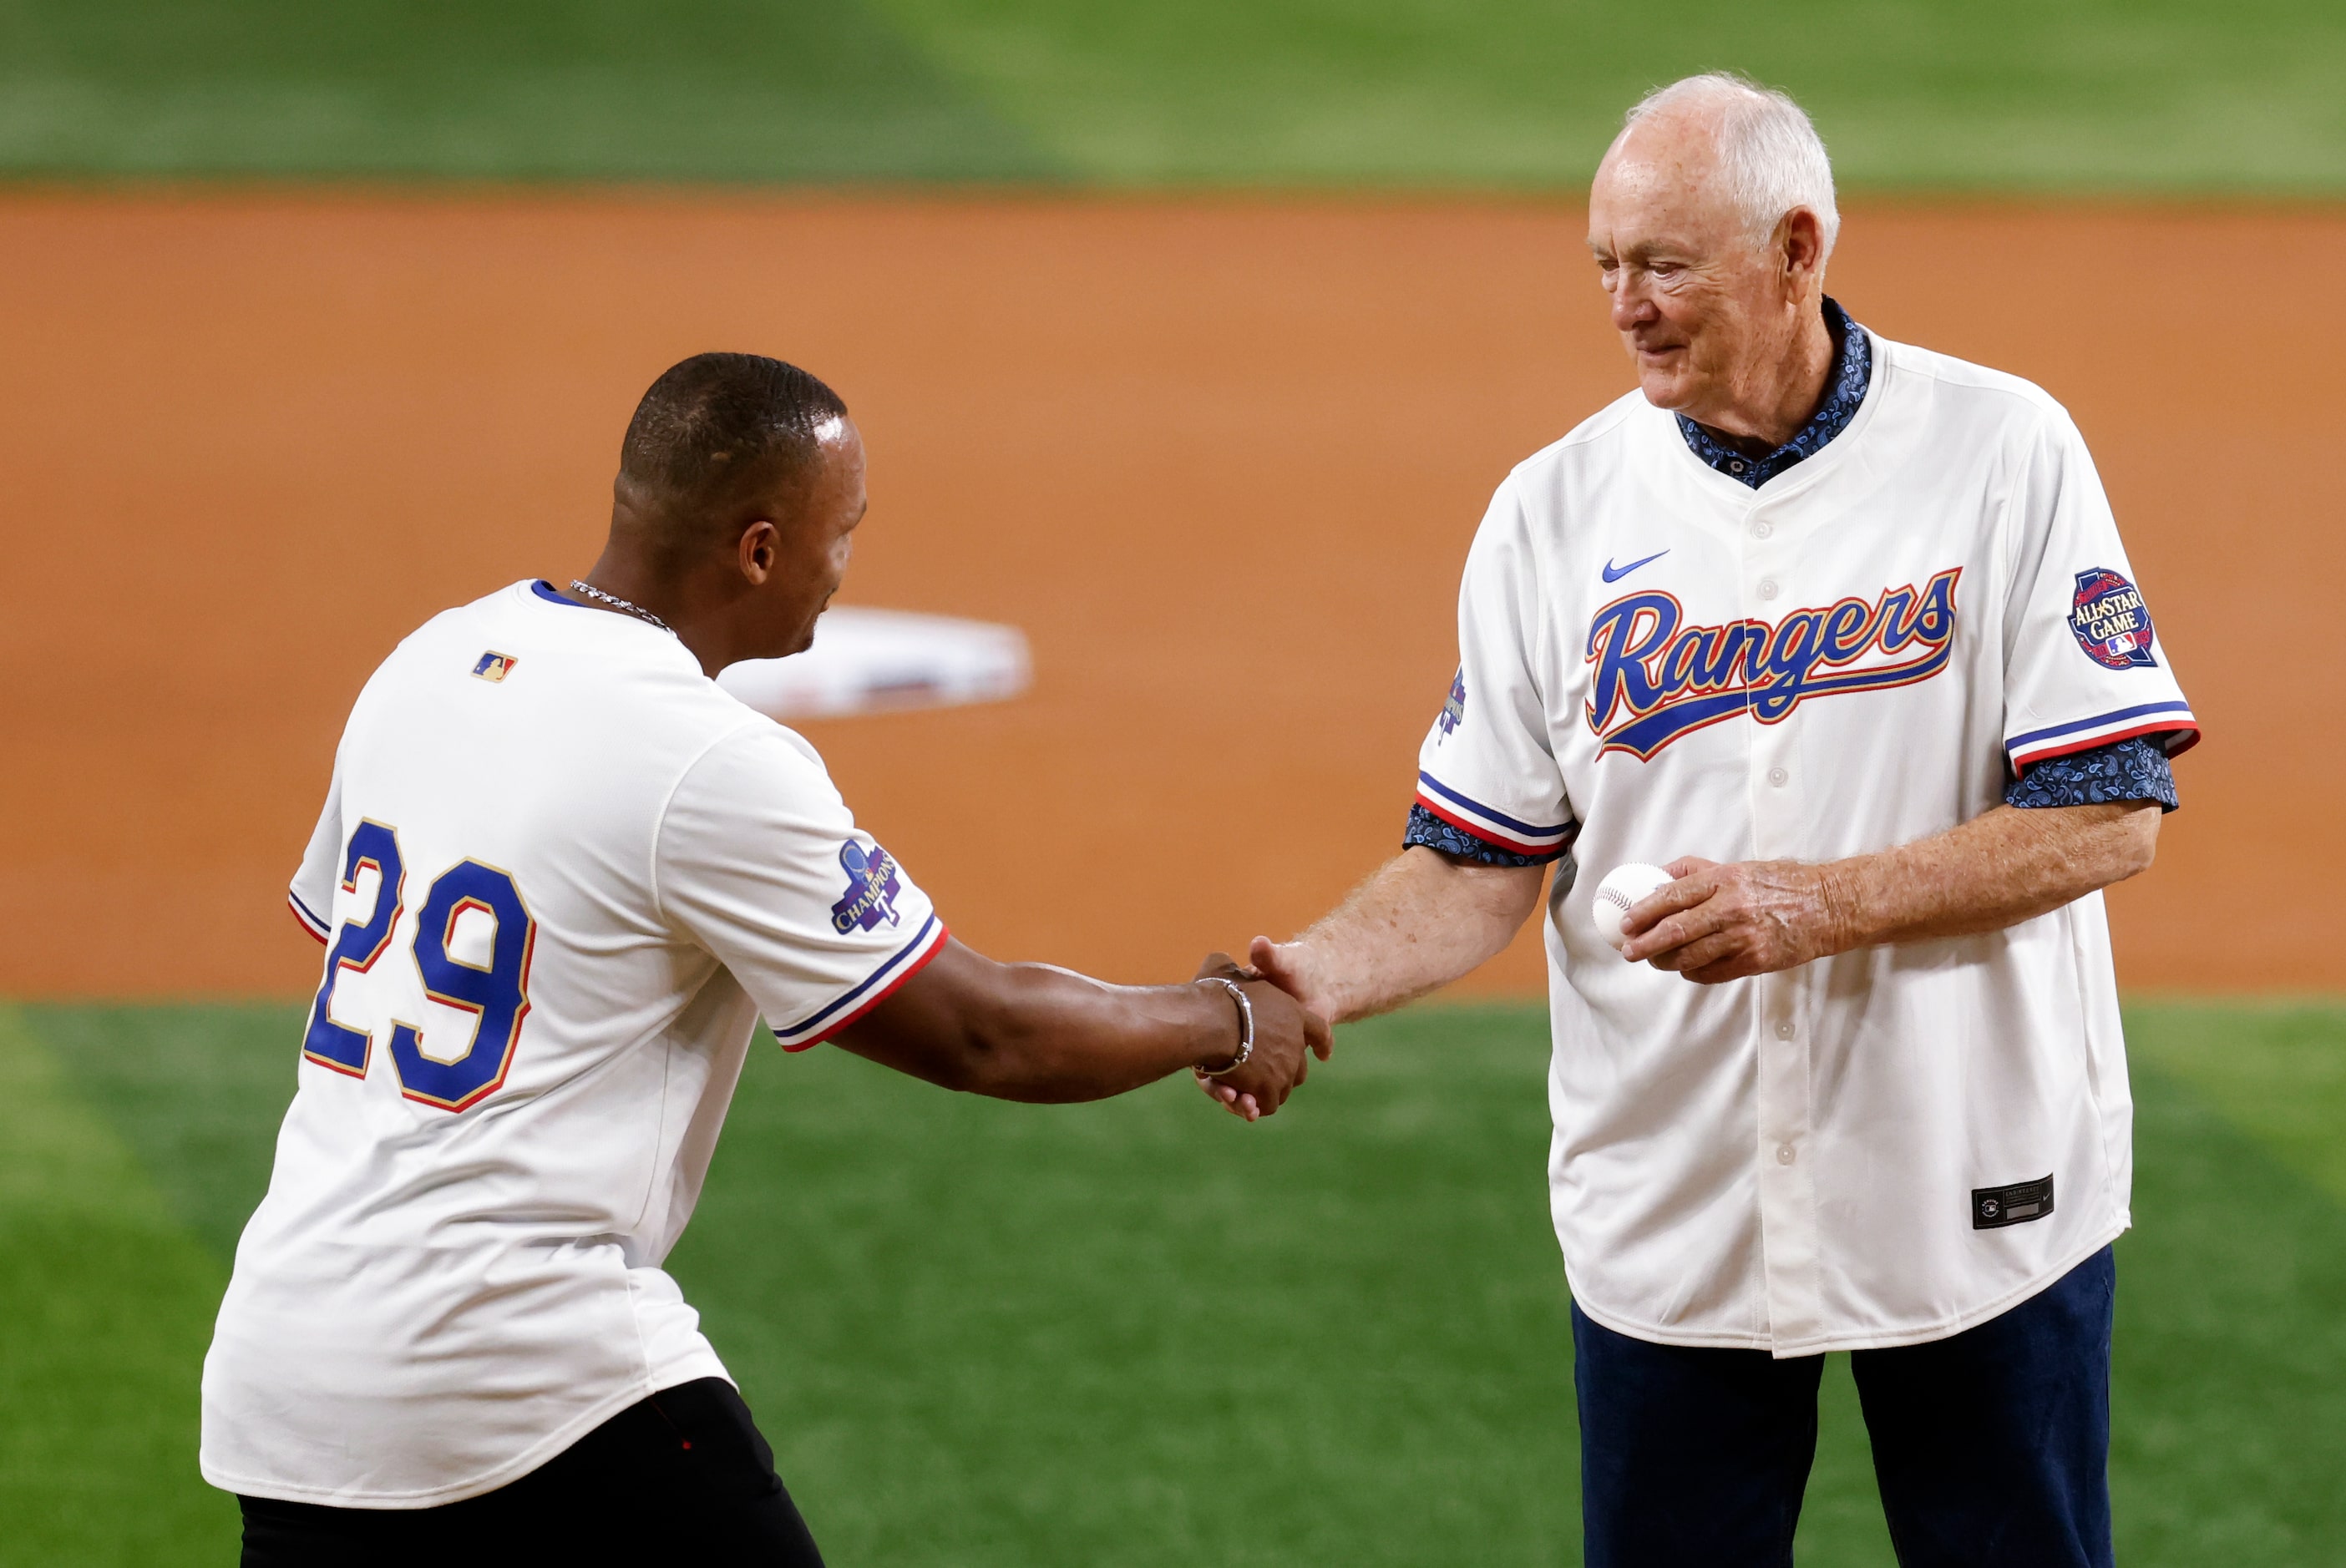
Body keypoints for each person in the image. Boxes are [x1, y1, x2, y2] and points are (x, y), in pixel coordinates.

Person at [1218, 74, 2195, 1568]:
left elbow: (2107, 811)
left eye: (1664, 264)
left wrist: (1814, 903)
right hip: (1674, 1198)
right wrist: (1313, 974)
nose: (1623, 306)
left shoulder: (2003, 451)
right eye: (1603, 264)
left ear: (1796, 247)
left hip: (1981, 1188)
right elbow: (1482, 848)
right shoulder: (1548, 512)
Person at [203, 352, 1328, 1566]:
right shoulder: (705, 758)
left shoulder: (429, 658)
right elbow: (984, 1029)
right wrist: (1223, 1013)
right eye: (839, 533)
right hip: (516, 1365)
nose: (844, 570)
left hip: (288, 1367)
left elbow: (346, 943)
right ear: (757, 549)